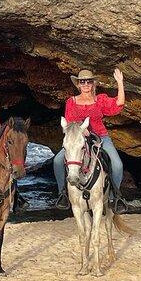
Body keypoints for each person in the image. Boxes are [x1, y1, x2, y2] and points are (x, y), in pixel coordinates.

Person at [54, 68, 126, 212]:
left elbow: (119, 103)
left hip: (100, 137)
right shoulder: (71, 102)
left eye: (88, 81)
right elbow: (70, 123)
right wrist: (82, 129)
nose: (85, 84)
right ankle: (62, 193)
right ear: (78, 85)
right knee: (57, 160)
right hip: (79, 138)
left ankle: (115, 197)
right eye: (82, 82)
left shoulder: (100, 100)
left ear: (93, 84)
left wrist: (120, 82)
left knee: (117, 165)